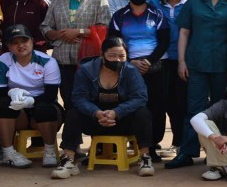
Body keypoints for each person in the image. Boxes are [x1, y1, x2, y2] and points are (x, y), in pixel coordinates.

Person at [51, 37, 155, 179]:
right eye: (112, 55)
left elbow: (140, 97)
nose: (117, 60)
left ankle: (145, 157)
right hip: (96, 121)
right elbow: (78, 98)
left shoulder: (131, 71)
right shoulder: (86, 71)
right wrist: (96, 113)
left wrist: (117, 112)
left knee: (143, 112)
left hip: (122, 121)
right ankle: (68, 159)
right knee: (73, 113)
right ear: (102, 55)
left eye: (122, 56)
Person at [168, 0, 227, 169]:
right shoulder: (194, 3)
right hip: (196, 63)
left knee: (219, 110)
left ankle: (215, 153)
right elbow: (184, 32)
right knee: (195, 109)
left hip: (221, 66)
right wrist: (181, 61)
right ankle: (187, 152)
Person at [107, 0, 169, 163]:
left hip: (155, 66)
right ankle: (135, 144)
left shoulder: (156, 14)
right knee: (133, 105)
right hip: (128, 67)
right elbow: (112, 41)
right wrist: (129, 62)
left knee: (157, 107)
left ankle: (151, 146)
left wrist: (149, 60)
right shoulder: (119, 16)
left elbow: (165, 40)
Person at [42, 0, 112, 107]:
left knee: (91, 99)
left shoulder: (99, 0)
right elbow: (45, 27)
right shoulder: (57, 1)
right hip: (63, 59)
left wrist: (78, 31)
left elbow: (104, 28)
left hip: (90, 59)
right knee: (68, 99)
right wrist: (61, 34)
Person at [0, 24, 62, 168]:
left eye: (24, 41)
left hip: (41, 106)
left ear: (31, 41)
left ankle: (50, 151)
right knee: (2, 104)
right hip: (17, 110)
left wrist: (30, 100)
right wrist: (11, 93)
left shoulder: (48, 61)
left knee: (45, 108)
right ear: (8, 45)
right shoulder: (2, 61)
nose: (20, 46)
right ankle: (8, 153)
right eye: (14, 42)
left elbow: (51, 95)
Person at [151, 0, 191, 158]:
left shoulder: (192, 4)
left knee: (180, 104)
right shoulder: (152, 3)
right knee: (158, 102)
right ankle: (152, 142)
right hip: (159, 61)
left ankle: (180, 143)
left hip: (184, 62)